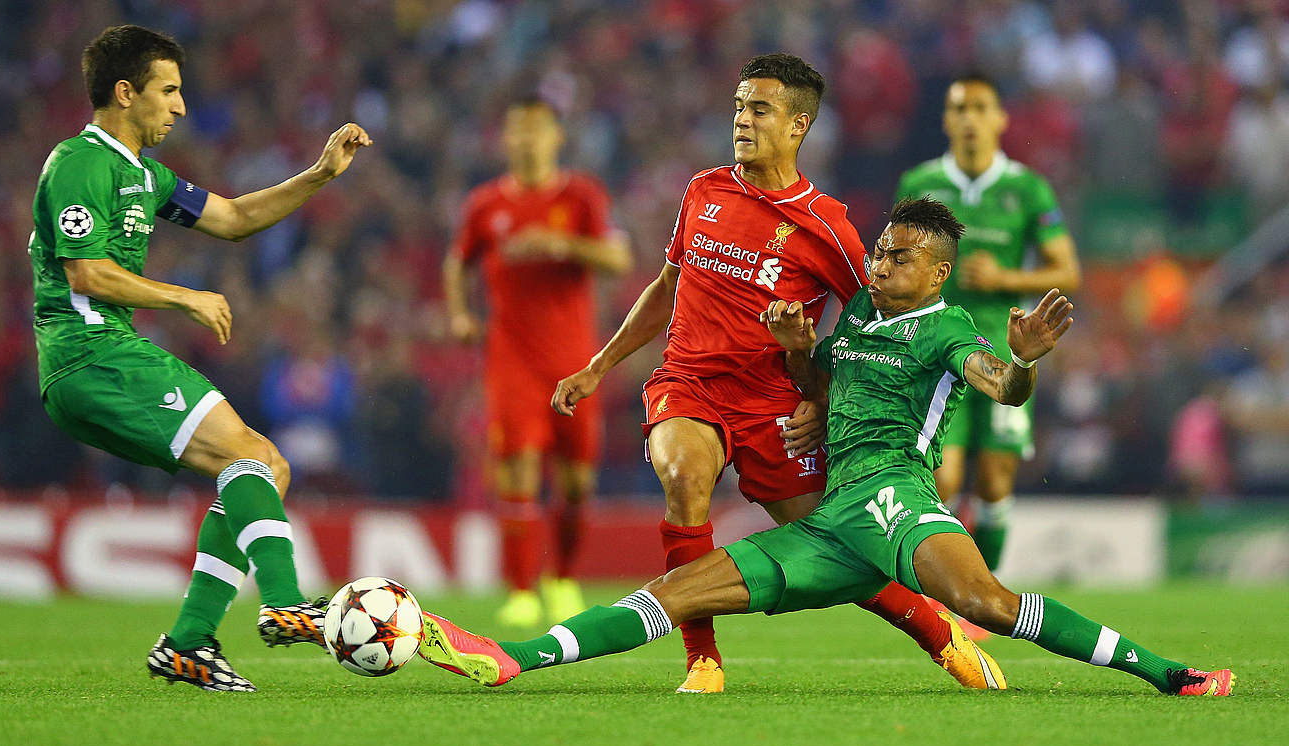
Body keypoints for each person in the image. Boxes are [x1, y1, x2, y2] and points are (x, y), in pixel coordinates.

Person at [412, 198, 1235, 698]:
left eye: (900, 257)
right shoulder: (860, 321)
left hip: (897, 498)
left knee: (987, 603)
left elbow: (1000, 386)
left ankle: (1167, 671)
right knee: (675, 592)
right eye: (879, 252)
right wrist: (800, 351)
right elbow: (819, 380)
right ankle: (511, 656)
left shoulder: (946, 327)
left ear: (938, 273)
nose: (880, 264)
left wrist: (1023, 361)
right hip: (835, 520)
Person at [551, 53, 998, 693]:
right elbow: (668, 286)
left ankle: (937, 632)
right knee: (684, 476)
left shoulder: (827, 225)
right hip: (688, 383)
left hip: (774, 405)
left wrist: (823, 397)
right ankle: (702, 659)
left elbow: (876, 320)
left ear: (797, 126)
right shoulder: (704, 190)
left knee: (841, 542)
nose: (742, 120)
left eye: (759, 109)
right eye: (739, 106)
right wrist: (599, 365)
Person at [29, 25, 371, 692]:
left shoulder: (143, 174)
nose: (180, 107)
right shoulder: (80, 162)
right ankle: (284, 601)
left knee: (264, 465)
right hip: (90, 356)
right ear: (124, 93)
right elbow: (85, 272)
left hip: (107, 357)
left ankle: (189, 642)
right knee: (248, 455)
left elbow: (234, 217)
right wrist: (183, 296)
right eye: (168, 91)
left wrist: (320, 174)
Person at [445, 97, 631, 627]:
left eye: (536, 129)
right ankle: (522, 590)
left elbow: (618, 258)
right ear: (505, 139)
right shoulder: (485, 204)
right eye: (517, 130)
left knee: (577, 483)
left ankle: (563, 578)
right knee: (518, 469)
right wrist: (460, 314)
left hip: (574, 359)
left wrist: (560, 244)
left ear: (556, 137)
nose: (527, 139)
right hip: (512, 360)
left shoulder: (582, 196)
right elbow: (457, 262)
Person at [895, 74, 1081, 581]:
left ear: (1000, 119)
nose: (970, 118)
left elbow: (1067, 271)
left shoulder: (1027, 188)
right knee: (943, 480)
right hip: (937, 352)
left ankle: (986, 590)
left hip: (1005, 351)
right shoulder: (918, 184)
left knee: (996, 483)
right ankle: (948, 592)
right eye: (960, 108)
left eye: (980, 107)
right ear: (946, 120)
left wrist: (1006, 278)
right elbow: (893, 261)